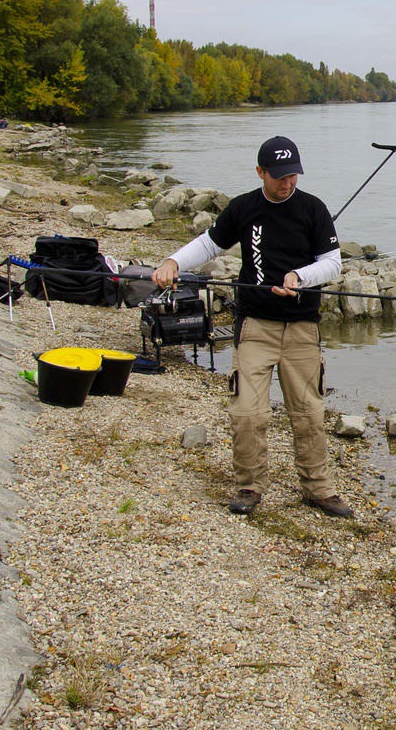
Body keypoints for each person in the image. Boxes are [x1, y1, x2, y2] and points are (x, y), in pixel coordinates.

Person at [151, 136, 351, 518]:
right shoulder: (243, 208)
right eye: (278, 176)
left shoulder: (313, 209)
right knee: (247, 413)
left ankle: (318, 488)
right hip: (255, 325)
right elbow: (209, 245)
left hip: (301, 328)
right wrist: (173, 262)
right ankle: (249, 484)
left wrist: (298, 277)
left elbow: (332, 264)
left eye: (293, 175)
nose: (287, 183)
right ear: (260, 172)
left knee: (308, 412)